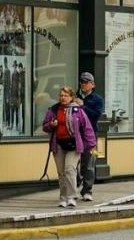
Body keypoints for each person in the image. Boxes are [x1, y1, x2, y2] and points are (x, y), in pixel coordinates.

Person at [42, 86, 97, 208]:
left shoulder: (78, 111)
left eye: (66, 96)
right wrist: (51, 125)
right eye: (61, 95)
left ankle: (72, 197)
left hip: (74, 145)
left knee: (69, 169)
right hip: (59, 145)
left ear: (71, 97)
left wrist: (92, 144)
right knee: (61, 173)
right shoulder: (54, 110)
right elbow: (45, 127)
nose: (63, 98)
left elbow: (87, 128)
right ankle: (63, 197)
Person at [74, 71, 104, 201]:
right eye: (81, 82)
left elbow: (95, 116)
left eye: (86, 82)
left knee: (89, 164)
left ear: (93, 84)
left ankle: (87, 191)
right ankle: (75, 186)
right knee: (73, 164)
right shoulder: (74, 96)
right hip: (75, 135)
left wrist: (83, 106)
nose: (83, 84)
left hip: (90, 137)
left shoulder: (98, 99)